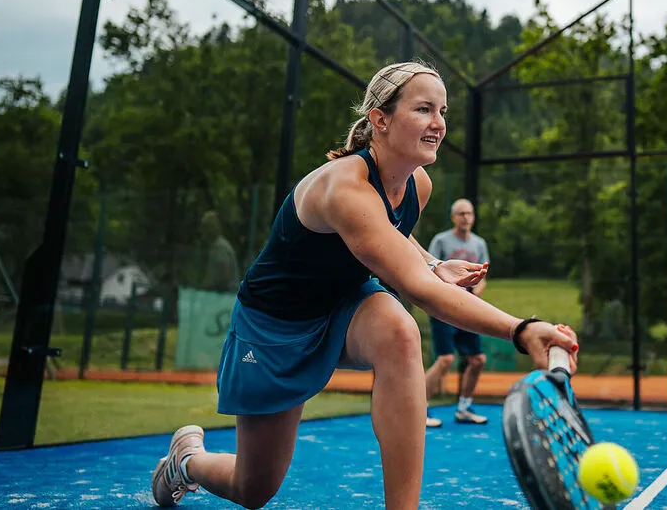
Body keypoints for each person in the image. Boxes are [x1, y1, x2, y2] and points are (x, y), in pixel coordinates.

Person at [149, 61, 579, 510]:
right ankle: (188, 461)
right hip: (275, 326)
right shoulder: (344, 187)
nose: (438, 123)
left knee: (399, 333)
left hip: (342, 307)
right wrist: (522, 330)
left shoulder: (418, 184)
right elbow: (416, 287)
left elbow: (392, 231)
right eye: (424, 109)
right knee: (253, 489)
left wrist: (431, 262)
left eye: (444, 111)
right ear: (381, 119)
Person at [423, 198, 491, 427]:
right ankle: (417, 409)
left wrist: (474, 295)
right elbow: (430, 269)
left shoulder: (479, 244)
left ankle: (464, 408)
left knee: (477, 359)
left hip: (466, 308)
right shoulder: (441, 241)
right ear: (453, 217)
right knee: (445, 359)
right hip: (443, 306)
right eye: (461, 213)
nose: (465, 217)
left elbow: (483, 278)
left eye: (469, 213)